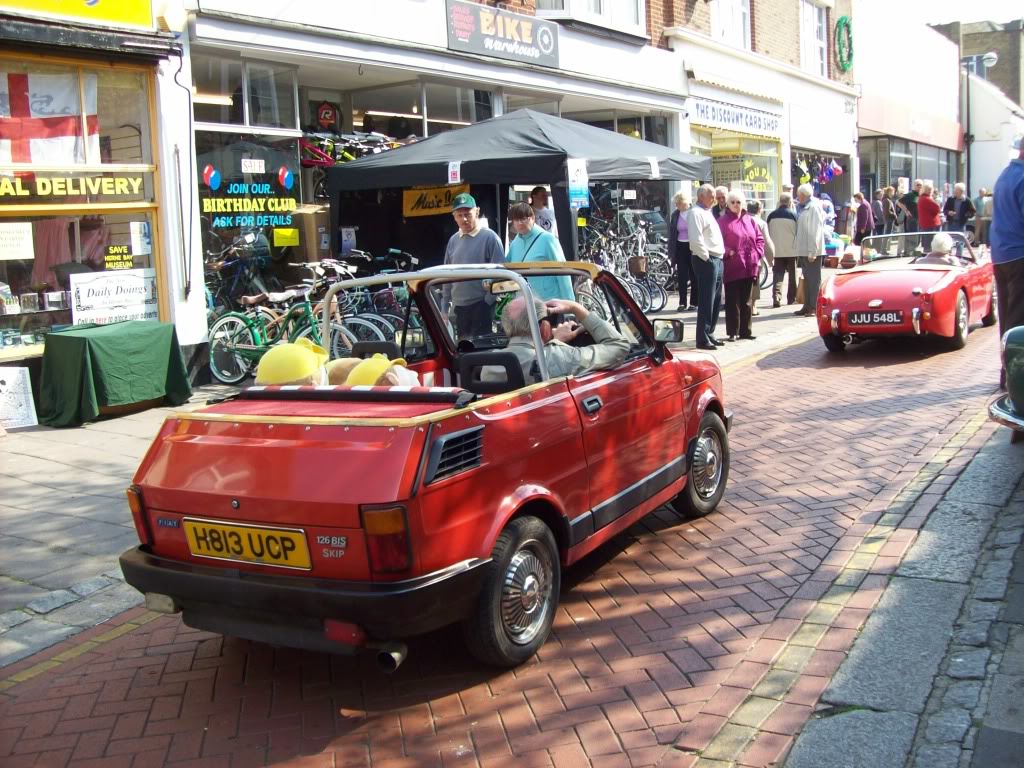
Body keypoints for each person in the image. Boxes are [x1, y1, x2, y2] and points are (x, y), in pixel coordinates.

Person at [483, 296, 629, 383]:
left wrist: (556, 342)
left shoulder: (489, 364)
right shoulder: (559, 356)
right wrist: (576, 308)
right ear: (544, 326)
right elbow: (619, 346)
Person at [441, 193, 505, 339]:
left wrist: (487, 302)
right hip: (459, 307)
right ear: (454, 216)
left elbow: (501, 273)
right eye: (459, 215)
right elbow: (446, 275)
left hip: (481, 304)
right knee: (464, 352)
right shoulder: (453, 240)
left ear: (476, 212)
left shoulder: (490, 237)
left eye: (467, 214)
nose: (464, 219)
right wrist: (445, 307)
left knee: (482, 351)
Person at [990, 134, 1024, 389]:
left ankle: (1007, 372)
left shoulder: (1006, 174)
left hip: (1002, 254)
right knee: (1018, 320)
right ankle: (1014, 378)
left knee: (1008, 316)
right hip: (1018, 254)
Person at [717, 190, 764, 341]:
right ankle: (732, 332)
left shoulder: (750, 220)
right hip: (732, 266)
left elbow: (759, 238)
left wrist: (758, 253)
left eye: (738, 202)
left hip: (749, 266)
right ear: (728, 204)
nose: (736, 205)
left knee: (747, 300)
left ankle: (746, 331)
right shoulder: (722, 221)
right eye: (733, 202)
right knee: (732, 301)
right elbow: (717, 243)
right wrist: (727, 252)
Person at [505, 201, 573, 302]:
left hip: (548, 303)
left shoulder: (548, 239)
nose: (519, 223)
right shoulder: (516, 242)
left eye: (523, 218)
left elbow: (563, 273)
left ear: (532, 218)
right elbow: (506, 266)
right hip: (523, 303)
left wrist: (569, 308)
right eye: (516, 219)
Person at [688, 183, 726, 350]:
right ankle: (702, 338)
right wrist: (706, 258)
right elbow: (696, 239)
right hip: (707, 259)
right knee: (706, 300)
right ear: (702, 196)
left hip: (716, 258)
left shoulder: (706, 212)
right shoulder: (695, 213)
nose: (714, 199)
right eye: (711, 196)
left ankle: (709, 333)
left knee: (716, 300)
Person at [794, 183, 826, 317]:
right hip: (804, 250)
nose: (797, 197)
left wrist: (813, 251)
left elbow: (815, 231)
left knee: (813, 280)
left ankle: (813, 306)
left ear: (803, 195)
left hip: (811, 251)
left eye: (798, 195)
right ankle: (807, 305)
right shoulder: (805, 207)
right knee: (807, 279)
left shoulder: (813, 207)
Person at [667, 190, 697, 311]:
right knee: (682, 275)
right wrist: (671, 251)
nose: (676, 206)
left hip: (693, 246)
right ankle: (682, 302)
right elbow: (672, 233)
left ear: (684, 202)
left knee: (694, 274)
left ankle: (694, 302)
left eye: (678, 203)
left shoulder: (694, 213)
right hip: (680, 246)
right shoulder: (675, 215)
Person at [768, 193, 799, 307]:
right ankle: (791, 298)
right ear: (790, 202)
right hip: (791, 250)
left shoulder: (771, 215)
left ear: (780, 202)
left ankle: (776, 297)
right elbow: (797, 232)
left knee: (778, 274)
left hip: (777, 250)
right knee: (792, 276)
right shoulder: (794, 215)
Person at [746, 199, 774, 316]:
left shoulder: (742, 220)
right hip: (755, 257)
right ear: (759, 210)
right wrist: (771, 259)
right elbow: (766, 242)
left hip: (740, 256)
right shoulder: (761, 223)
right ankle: (753, 306)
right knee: (755, 281)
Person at [898, 179, 923, 254]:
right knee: (913, 236)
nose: (919, 186)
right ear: (914, 186)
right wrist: (906, 211)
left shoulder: (921, 195)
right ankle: (910, 252)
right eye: (918, 185)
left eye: (921, 185)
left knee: (917, 238)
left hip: (919, 219)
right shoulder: (910, 195)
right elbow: (899, 202)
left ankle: (910, 251)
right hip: (912, 219)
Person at [917, 182, 942, 251]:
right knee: (931, 244)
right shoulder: (926, 199)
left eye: (931, 189)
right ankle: (928, 258)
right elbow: (937, 208)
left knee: (928, 243)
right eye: (928, 189)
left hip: (927, 224)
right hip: (930, 224)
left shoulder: (923, 198)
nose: (930, 191)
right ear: (924, 190)